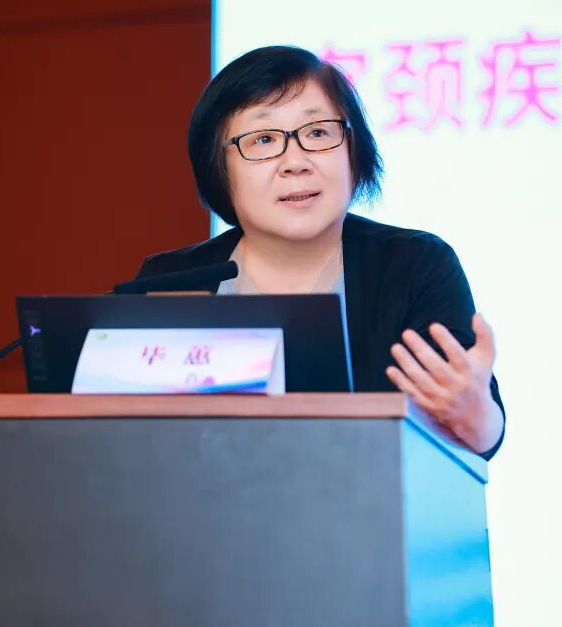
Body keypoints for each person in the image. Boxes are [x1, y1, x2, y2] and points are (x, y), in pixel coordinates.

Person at [136, 46, 505, 458]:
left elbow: (474, 433)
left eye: (317, 133)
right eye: (263, 139)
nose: (295, 162)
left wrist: (477, 417)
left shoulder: (414, 266)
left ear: (354, 151)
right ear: (218, 168)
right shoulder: (167, 281)